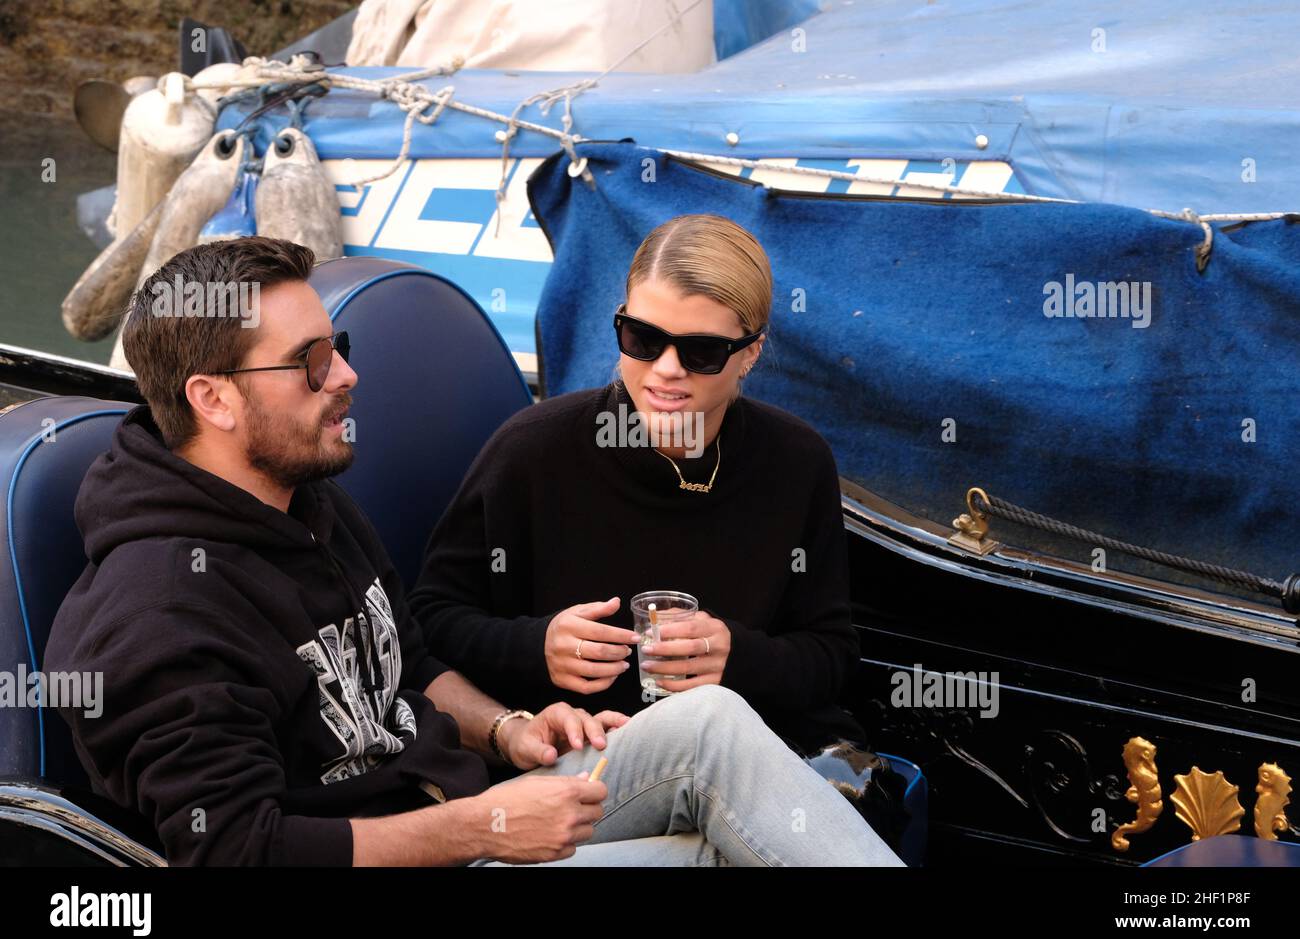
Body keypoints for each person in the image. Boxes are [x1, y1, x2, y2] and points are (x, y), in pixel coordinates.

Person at [45, 236, 903, 867]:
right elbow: (234, 851)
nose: (346, 377)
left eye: (339, 348)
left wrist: (510, 729)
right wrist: (482, 824)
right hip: (443, 846)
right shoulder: (156, 617)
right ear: (214, 400)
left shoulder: (305, 498)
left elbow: (413, 658)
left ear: (749, 353)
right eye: (311, 362)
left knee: (713, 723)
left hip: (469, 808)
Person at [409, 214, 865, 753]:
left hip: (744, 755)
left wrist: (736, 658)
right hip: (583, 764)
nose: (667, 369)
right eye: (643, 338)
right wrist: (536, 647)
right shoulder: (531, 450)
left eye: (701, 351)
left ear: (750, 353)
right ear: (621, 322)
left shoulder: (797, 460)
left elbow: (832, 655)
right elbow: (425, 625)